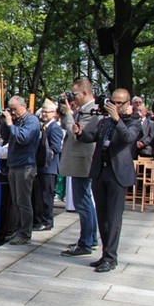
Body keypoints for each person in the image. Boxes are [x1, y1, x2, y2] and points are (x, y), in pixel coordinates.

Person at [72, 89, 141, 272]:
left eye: (119, 103)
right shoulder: (105, 122)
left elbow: (127, 138)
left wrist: (117, 119)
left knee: (113, 218)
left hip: (117, 174)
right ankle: (105, 255)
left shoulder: (134, 122)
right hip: (100, 171)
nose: (114, 105)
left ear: (127, 104)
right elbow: (91, 137)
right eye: (113, 102)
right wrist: (80, 132)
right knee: (102, 216)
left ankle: (111, 257)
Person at [60, 79, 101, 257]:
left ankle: (85, 243)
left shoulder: (92, 111)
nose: (73, 97)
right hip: (79, 160)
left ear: (84, 93)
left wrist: (69, 113)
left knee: (82, 202)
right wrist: (67, 111)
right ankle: (90, 239)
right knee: (85, 201)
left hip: (82, 161)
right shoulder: (82, 110)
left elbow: (75, 133)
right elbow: (65, 125)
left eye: (75, 94)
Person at [0, 96, 41, 245]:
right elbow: (5, 137)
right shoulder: (15, 121)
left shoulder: (32, 121)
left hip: (26, 166)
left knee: (23, 201)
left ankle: (25, 233)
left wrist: (10, 123)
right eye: (11, 109)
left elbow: (23, 138)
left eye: (14, 109)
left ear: (23, 107)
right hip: (14, 165)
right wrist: (4, 122)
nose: (13, 112)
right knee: (16, 201)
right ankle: (18, 229)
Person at [32, 99, 64, 231]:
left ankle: (47, 221)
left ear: (54, 113)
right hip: (40, 167)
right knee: (39, 195)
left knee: (47, 195)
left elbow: (56, 148)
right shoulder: (44, 127)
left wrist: (46, 154)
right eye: (43, 112)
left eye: (47, 112)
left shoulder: (55, 128)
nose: (44, 114)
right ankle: (39, 220)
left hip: (49, 167)